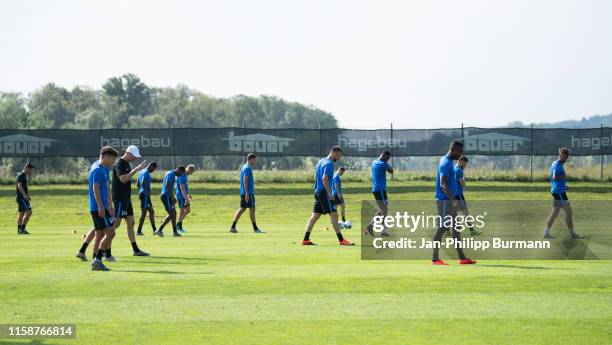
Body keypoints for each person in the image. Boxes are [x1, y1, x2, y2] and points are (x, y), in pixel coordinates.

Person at [431, 141, 476, 265]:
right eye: (459, 151)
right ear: (453, 149)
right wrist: (454, 200)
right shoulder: (446, 163)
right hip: (445, 201)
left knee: (456, 228)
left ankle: (462, 258)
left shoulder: (448, 161)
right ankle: (435, 259)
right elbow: (443, 184)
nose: (460, 154)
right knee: (441, 228)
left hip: (448, 200)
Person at [302, 146, 353, 246]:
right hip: (324, 193)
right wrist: (329, 193)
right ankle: (341, 240)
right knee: (334, 215)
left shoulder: (321, 161)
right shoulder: (329, 164)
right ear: (334, 152)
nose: (338, 158)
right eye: (338, 155)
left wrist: (319, 188)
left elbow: (317, 176)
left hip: (318, 192)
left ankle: (305, 239)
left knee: (315, 216)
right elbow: (324, 178)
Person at [110, 145, 150, 259]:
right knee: (115, 224)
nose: (135, 159)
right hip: (119, 198)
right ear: (128, 153)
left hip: (126, 198)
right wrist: (136, 169)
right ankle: (103, 247)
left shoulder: (127, 163)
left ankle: (136, 250)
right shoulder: (119, 163)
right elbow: (123, 179)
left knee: (131, 223)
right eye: (134, 156)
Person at [86, 146, 119, 271]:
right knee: (111, 233)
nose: (113, 162)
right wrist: (101, 206)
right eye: (112, 159)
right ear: (105, 156)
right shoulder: (98, 170)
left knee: (99, 235)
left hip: (102, 206)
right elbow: (96, 189)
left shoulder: (99, 167)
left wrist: (110, 205)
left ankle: (96, 260)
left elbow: (105, 190)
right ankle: (97, 260)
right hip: (99, 208)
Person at [543, 147, 585, 239]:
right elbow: (555, 177)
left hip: (557, 191)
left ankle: (546, 233)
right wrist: (563, 176)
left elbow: (556, 180)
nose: (565, 159)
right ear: (560, 155)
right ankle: (572, 234)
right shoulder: (557, 165)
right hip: (559, 193)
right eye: (564, 157)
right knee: (569, 212)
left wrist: (564, 186)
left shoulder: (555, 163)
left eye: (566, 157)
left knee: (554, 212)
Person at [230, 153, 265, 233]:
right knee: (252, 209)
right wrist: (247, 193)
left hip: (243, 192)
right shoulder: (248, 168)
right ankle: (255, 229)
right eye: (254, 160)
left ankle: (233, 227)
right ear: (251, 159)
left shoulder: (243, 167)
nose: (255, 161)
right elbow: (245, 180)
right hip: (248, 192)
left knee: (242, 208)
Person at [365, 151, 393, 237]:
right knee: (384, 210)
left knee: (382, 209)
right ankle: (383, 231)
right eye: (387, 158)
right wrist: (387, 164)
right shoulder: (382, 164)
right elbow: (391, 170)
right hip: (379, 189)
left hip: (379, 189)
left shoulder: (375, 161)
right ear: (384, 155)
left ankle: (370, 227)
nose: (387, 160)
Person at [453, 156, 482, 236]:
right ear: (461, 161)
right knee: (466, 213)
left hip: (452, 194)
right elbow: (462, 183)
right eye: (465, 163)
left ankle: (447, 231)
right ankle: (472, 231)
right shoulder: (459, 170)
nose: (465, 165)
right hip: (458, 195)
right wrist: (464, 182)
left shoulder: (454, 168)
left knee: (451, 213)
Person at [156, 166, 185, 237]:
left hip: (167, 196)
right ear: (178, 170)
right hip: (167, 196)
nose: (180, 175)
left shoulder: (169, 173)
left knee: (173, 213)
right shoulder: (171, 175)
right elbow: (167, 186)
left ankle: (174, 232)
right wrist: (173, 197)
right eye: (181, 173)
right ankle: (159, 230)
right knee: (172, 214)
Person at [136, 162, 158, 236]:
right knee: (144, 213)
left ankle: (154, 230)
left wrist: (140, 191)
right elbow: (142, 181)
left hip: (144, 195)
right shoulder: (146, 173)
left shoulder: (141, 171)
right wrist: (145, 192)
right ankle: (139, 231)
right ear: (151, 166)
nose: (153, 171)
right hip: (145, 195)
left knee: (151, 211)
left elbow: (137, 184)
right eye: (154, 169)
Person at [176, 164, 196, 233]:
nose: (191, 174)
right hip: (181, 196)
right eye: (192, 172)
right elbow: (182, 188)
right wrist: (186, 198)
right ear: (189, 169)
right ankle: (179, 227)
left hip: (185, 195)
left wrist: (188, 194)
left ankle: (178, 224)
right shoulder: (182, 175)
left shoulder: (185, 176)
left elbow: (185, 187)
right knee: (182, 211)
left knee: (188, 210)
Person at [16, 163, 34, 235]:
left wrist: (27, 195)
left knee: (21, 213)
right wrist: (24, 195)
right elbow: (19, 185)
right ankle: (22, 229)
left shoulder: (24, 176)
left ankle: (19, 230)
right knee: (29, 212)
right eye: (30, 170)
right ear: (26, 168)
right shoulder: (21, 175)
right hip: (22, 198)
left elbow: (24, 187)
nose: (31, 172)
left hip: (23, 197)